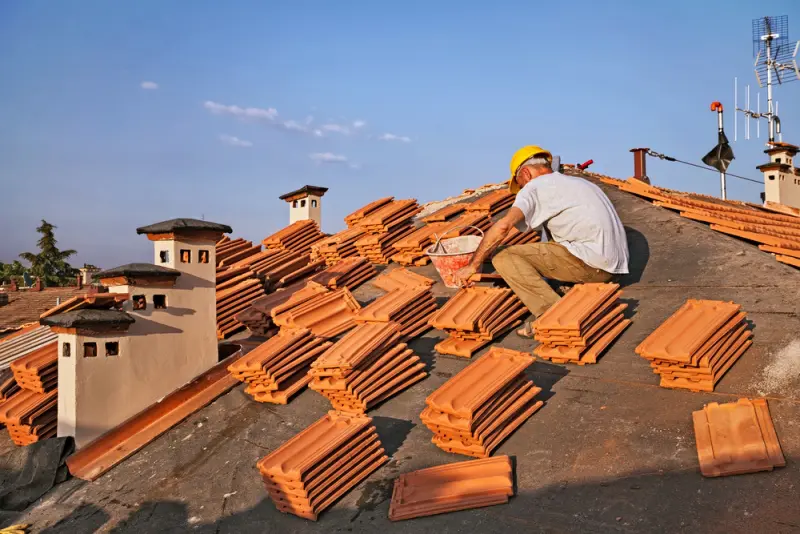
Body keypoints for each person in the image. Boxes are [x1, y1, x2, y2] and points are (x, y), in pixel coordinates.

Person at [454, 145, 630, 337]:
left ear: (526, 174)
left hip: (594, 266)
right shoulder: (581, 184)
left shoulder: (535, 187)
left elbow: (503, 227)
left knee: (504, 256)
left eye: (519, 184)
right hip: (616, 267)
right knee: (552, 234)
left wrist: (473, 265)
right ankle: (565, 291)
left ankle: (552, 315)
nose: (521, 188)